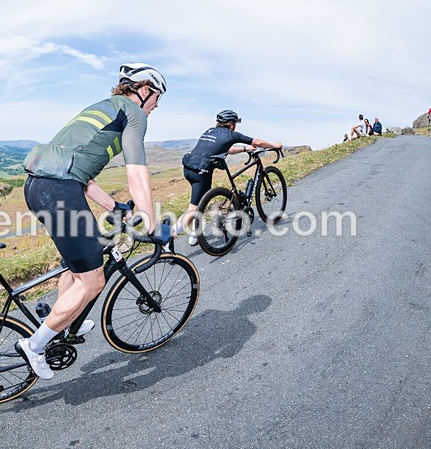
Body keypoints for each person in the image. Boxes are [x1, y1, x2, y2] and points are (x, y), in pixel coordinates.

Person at [18, 63, 174, 378]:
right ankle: (34, 346)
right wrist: (151, 222)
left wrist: (114, 204)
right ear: (144, 91)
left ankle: (66, 321)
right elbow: (136, 170)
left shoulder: (104, 108)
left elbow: (82, 174)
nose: (156, 106)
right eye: (157, 97)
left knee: (77, 268)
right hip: (59, 192)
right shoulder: (134, 113)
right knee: (94, 281)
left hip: (39, 186)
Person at [179, 110, 283, 245]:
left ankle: (195, 235)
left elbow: (226, 149)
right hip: (201, 172)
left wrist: (245, 149)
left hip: (189, 168)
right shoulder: (231, 134)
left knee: (198, 204)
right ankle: (168, 237)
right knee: (193, 209)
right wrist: (274, 146)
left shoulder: (209, 131)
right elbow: (257, 141)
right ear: (231, 124)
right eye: (235, 123)